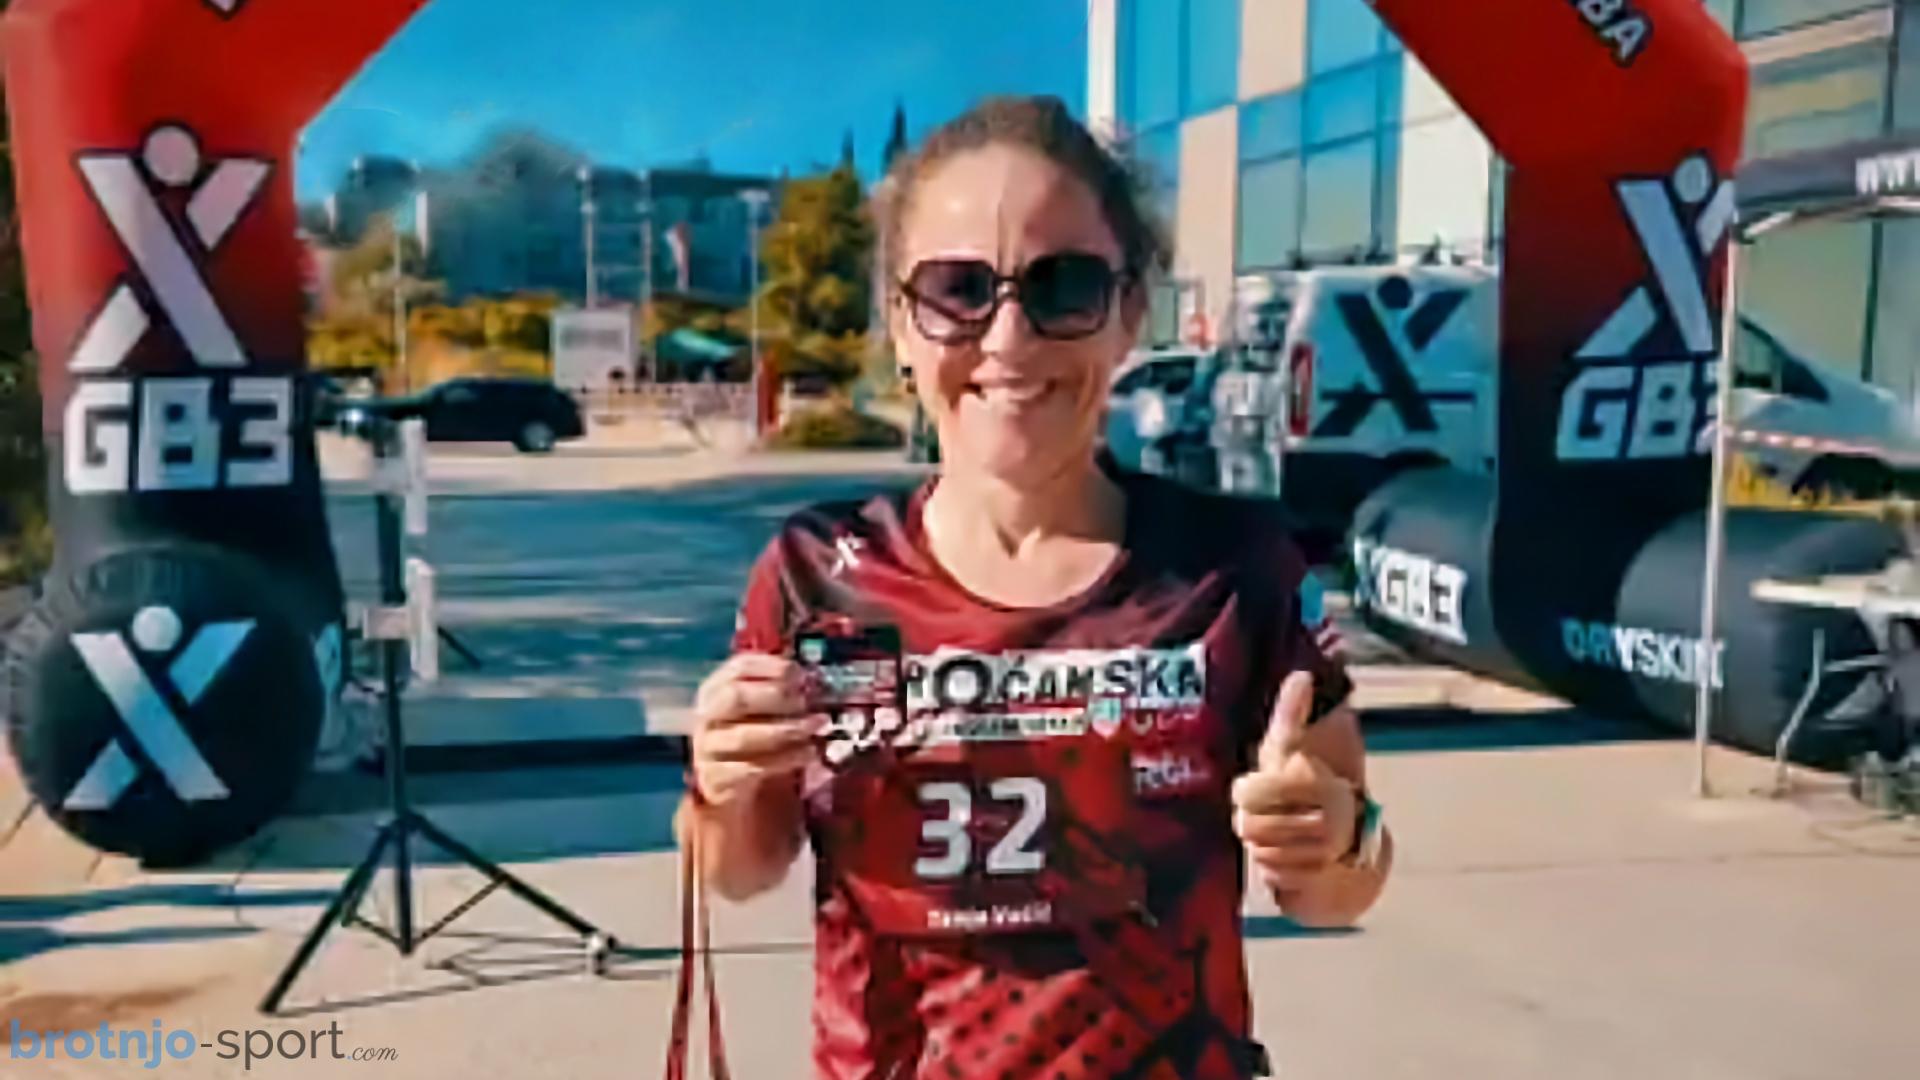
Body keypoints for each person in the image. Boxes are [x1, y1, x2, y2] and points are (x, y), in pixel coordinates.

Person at [680, 95, 1392, 1079]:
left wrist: (1337, 836)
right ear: (901, 324)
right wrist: (722, 784)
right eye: (958, 290)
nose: (1009, 339)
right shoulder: (817, 575)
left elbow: (1340, 888)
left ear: (1130, 314)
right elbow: (740, 868)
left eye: (1064, 286)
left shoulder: (1236, 569)